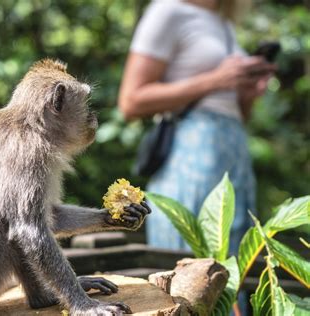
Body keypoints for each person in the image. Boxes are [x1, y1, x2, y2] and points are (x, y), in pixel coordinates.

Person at [118, 0, 275, 254]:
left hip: (233, 155)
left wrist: (247, 94)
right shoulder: (167, 11)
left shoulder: (223, 22)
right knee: (191, 267)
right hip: (189, 157)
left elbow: (235, 113)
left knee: (234, 267)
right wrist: (215, 80)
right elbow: (130, 101)